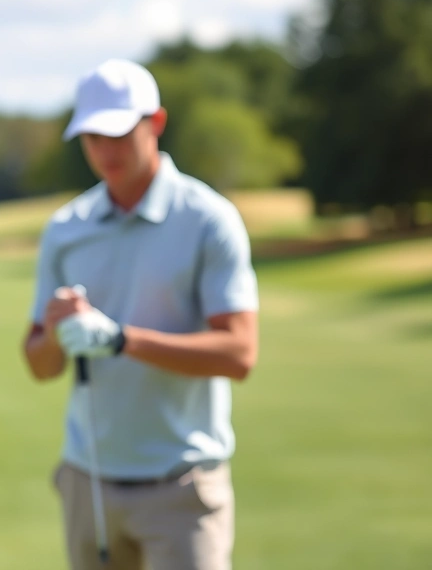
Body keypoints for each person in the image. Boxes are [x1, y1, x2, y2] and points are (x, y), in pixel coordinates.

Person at [22, 58, 259, 570]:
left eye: (118, 133)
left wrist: (120, 340)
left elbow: (240, 353)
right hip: (88, 483)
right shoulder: (67, 228)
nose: (105, 151)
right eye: (92, 137)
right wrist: (59, 334)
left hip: (183, 487)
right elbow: (39, 364)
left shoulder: (208, 219)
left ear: (155, 123)